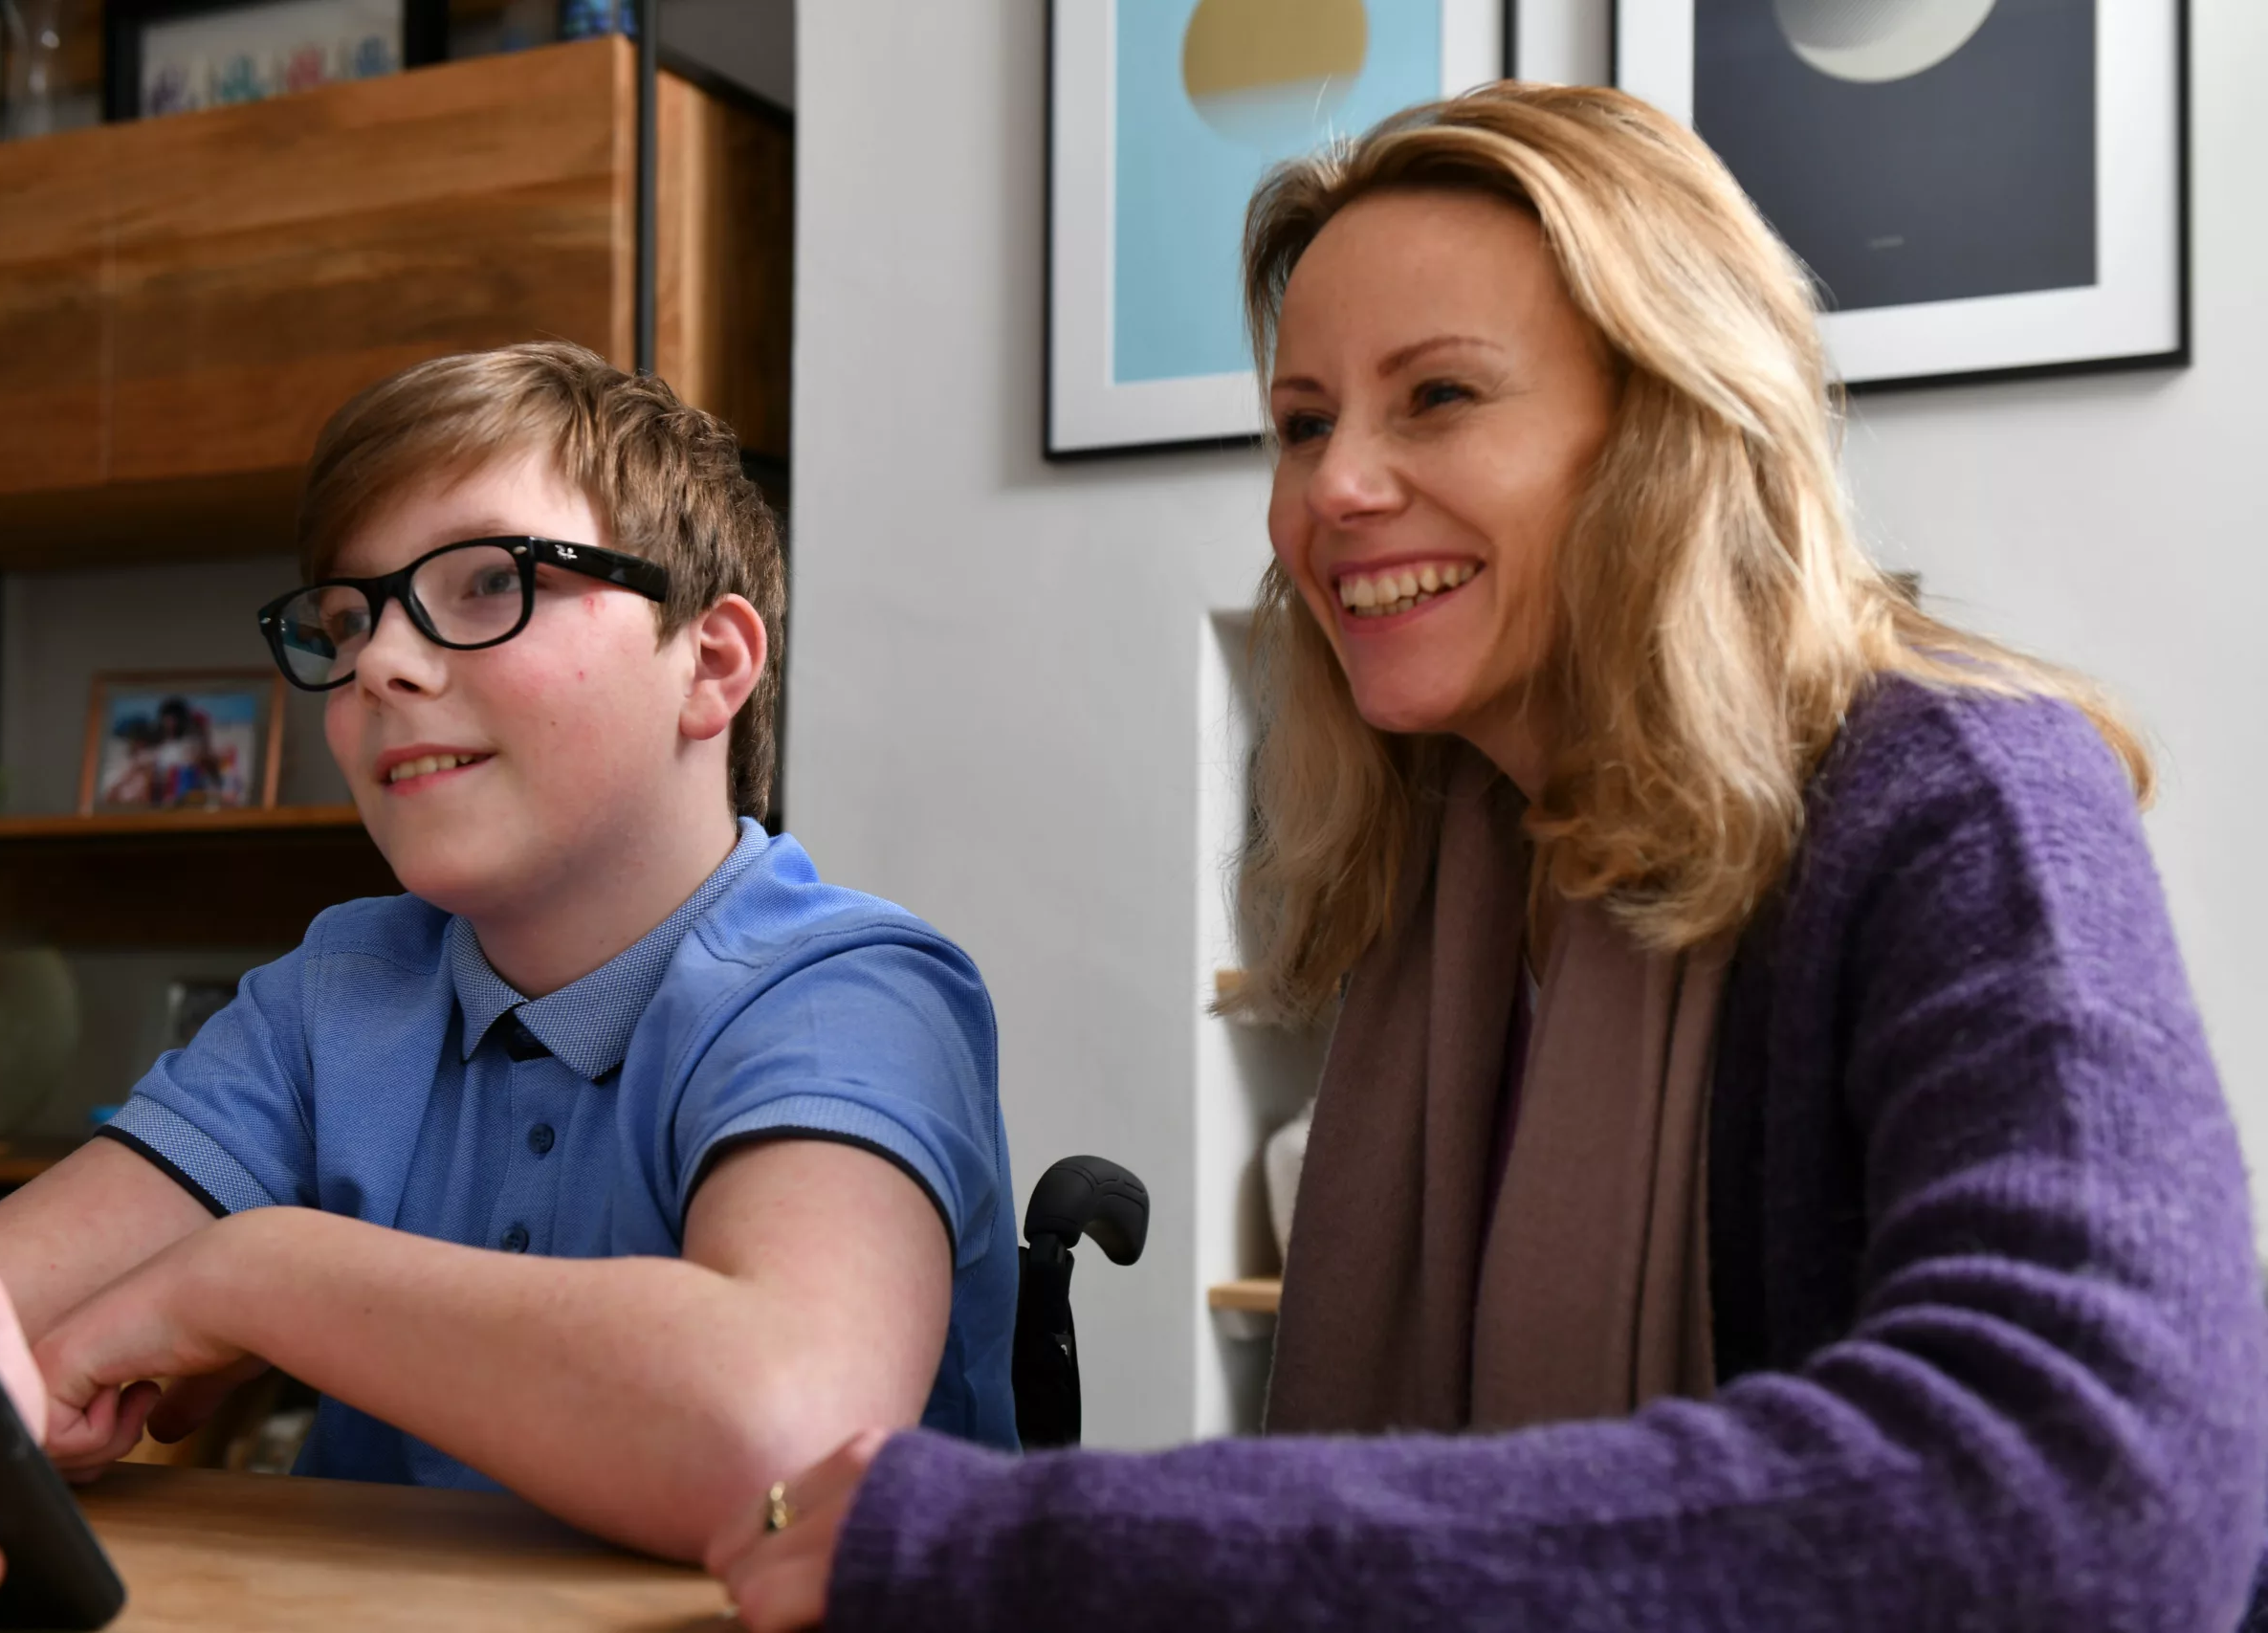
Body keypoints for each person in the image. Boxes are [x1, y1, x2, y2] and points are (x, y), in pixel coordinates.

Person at [706, 85, 2268, 1631]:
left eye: (1437, 397)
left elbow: (2100, 1494)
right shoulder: (1434, 871)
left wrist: (1041, 1547)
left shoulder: (1966, 798)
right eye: (1304, 422)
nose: (1333, 488)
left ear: (1668, 420)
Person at [0, 342, 1018, 1625]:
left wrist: (252, 1271)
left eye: (489, 581)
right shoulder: (339, 989)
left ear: (714, 665)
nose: (379, 662)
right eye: (348, 618)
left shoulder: (849, 992)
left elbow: (785, 1433)